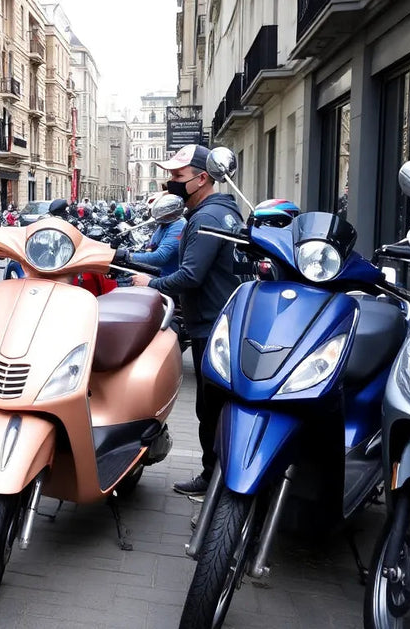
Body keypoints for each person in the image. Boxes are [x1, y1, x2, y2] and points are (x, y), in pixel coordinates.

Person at [121, 144, 243, 496]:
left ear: (202, 178)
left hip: (211, 323)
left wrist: (152, 283)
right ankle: (218, 477)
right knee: (216, 407)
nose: (170, 182)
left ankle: (213, 480)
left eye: (177, 176)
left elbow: (191, 275)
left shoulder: (206, 219)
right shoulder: (223, 212)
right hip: (221, 318)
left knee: (210, 409)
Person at [121, 193, 186, 276]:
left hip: (166, 277)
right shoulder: (165, 224)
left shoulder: (179, 226)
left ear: (172, 213)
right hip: (157, 272)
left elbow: (160, 257)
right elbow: (152, 245)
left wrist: (126, 256)